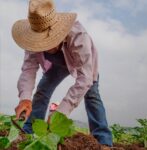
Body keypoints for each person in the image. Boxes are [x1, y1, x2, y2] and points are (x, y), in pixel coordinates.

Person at [12, 0, 112, 149]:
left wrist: (62, 111)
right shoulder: (32, 38)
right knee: (42, 91)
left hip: (84, 65)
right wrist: (25, 98)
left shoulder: (78, 35)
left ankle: (103, 140)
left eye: (46, 42)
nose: (42, 46)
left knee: (92, 95)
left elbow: (85, 78)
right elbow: (29, 69)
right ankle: (28, 131)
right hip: (57, 65)